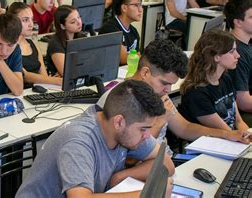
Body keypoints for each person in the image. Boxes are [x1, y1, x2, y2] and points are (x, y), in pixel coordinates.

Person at [16, 80, 175, 197]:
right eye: (143, 129)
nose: (148, 135)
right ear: (119, 121)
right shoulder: (78, 141)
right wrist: (146, 195)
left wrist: (120, 177)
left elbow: (167, 163)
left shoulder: (125, 129)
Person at [97, 39, 251, 154]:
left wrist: (227, 134)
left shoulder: (157, 93)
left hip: (165, 161)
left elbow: (184, 128)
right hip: (143, 169)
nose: (168, 90)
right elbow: (128, 157)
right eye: (164, 83)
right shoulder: (118, 100)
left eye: (171, 84)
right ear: (145, 73)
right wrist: (160, 121)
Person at [179, 30, 248, 131]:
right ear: (216, 57)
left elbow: (238, 121)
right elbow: (226, 132)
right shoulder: (196, 94)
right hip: (218, 142)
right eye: (232, 51)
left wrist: (247, 136)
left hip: (233, 138)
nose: (238, 55)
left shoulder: (225, 79)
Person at [8, 2, 62, 88]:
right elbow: (25, 76)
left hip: (37, 91)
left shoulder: (32, 44)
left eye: (32, 19)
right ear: (12, 21)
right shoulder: (8, 47)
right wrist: (56, 81)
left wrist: (51, 80)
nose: (31, 24)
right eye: (25, 20)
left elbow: (44, 75)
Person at [224, 0, 252, 125]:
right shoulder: (237, 54)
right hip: (244, 114)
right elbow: (243, 102)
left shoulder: (248, 42)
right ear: (238, 22)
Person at [99, 0, 142, 65]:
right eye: (136, 5)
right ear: (124, 8)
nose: (140, 9)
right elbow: (123, 59)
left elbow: (137, 58)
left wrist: (136, 57)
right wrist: (136, 57)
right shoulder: (109, 29)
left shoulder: (134, 32)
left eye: (140, 5)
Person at [46, 5, 83, 76]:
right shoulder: (55, 44)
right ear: (62, 26)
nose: (79, 22)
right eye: (73, 22)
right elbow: (66, 73)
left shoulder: (81, 37)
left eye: (79, 17)